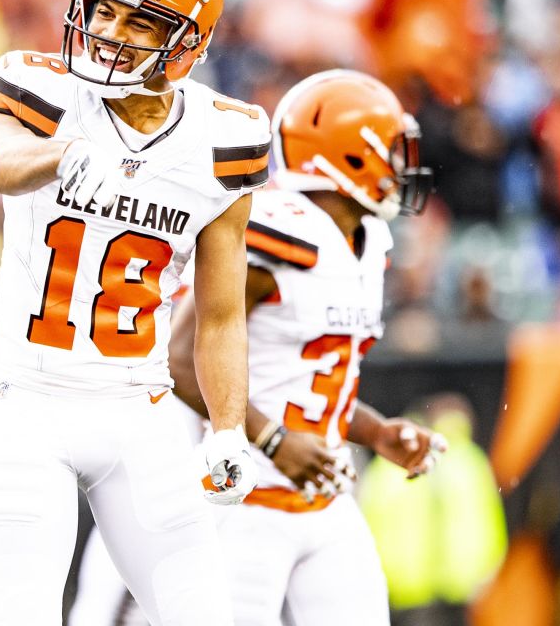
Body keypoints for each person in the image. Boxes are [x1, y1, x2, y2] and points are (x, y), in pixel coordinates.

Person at [0, 0, 270, 625]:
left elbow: (221, 310)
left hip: (140, 408)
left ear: (190, 44)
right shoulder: (36, 85)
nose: (109, 30)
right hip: (28, 400)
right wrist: (62, 155)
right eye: (104, 8)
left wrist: (228, 429)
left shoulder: (226, 138)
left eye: (140, 20)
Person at [168, 69, 447, 625]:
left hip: (325, 503)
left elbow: (308, 384)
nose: (401, 168)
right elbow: (175, 360)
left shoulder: (367, 244)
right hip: (243, 503)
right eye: (391, 150)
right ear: (351, 156)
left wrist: (375, 432)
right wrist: (272, 443)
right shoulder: (275, 232)